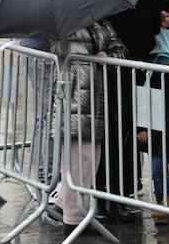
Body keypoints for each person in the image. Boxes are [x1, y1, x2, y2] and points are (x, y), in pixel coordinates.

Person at [52, 20, 128, 230]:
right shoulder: (64, 23)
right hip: (74, 100)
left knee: (90, 160)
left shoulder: (101, 23)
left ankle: (66, 207)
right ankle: (74, 220)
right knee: (78, 159)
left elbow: (119, 49)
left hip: (96, 101)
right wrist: (96, 56)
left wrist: (108, 56)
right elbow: (64, 52)